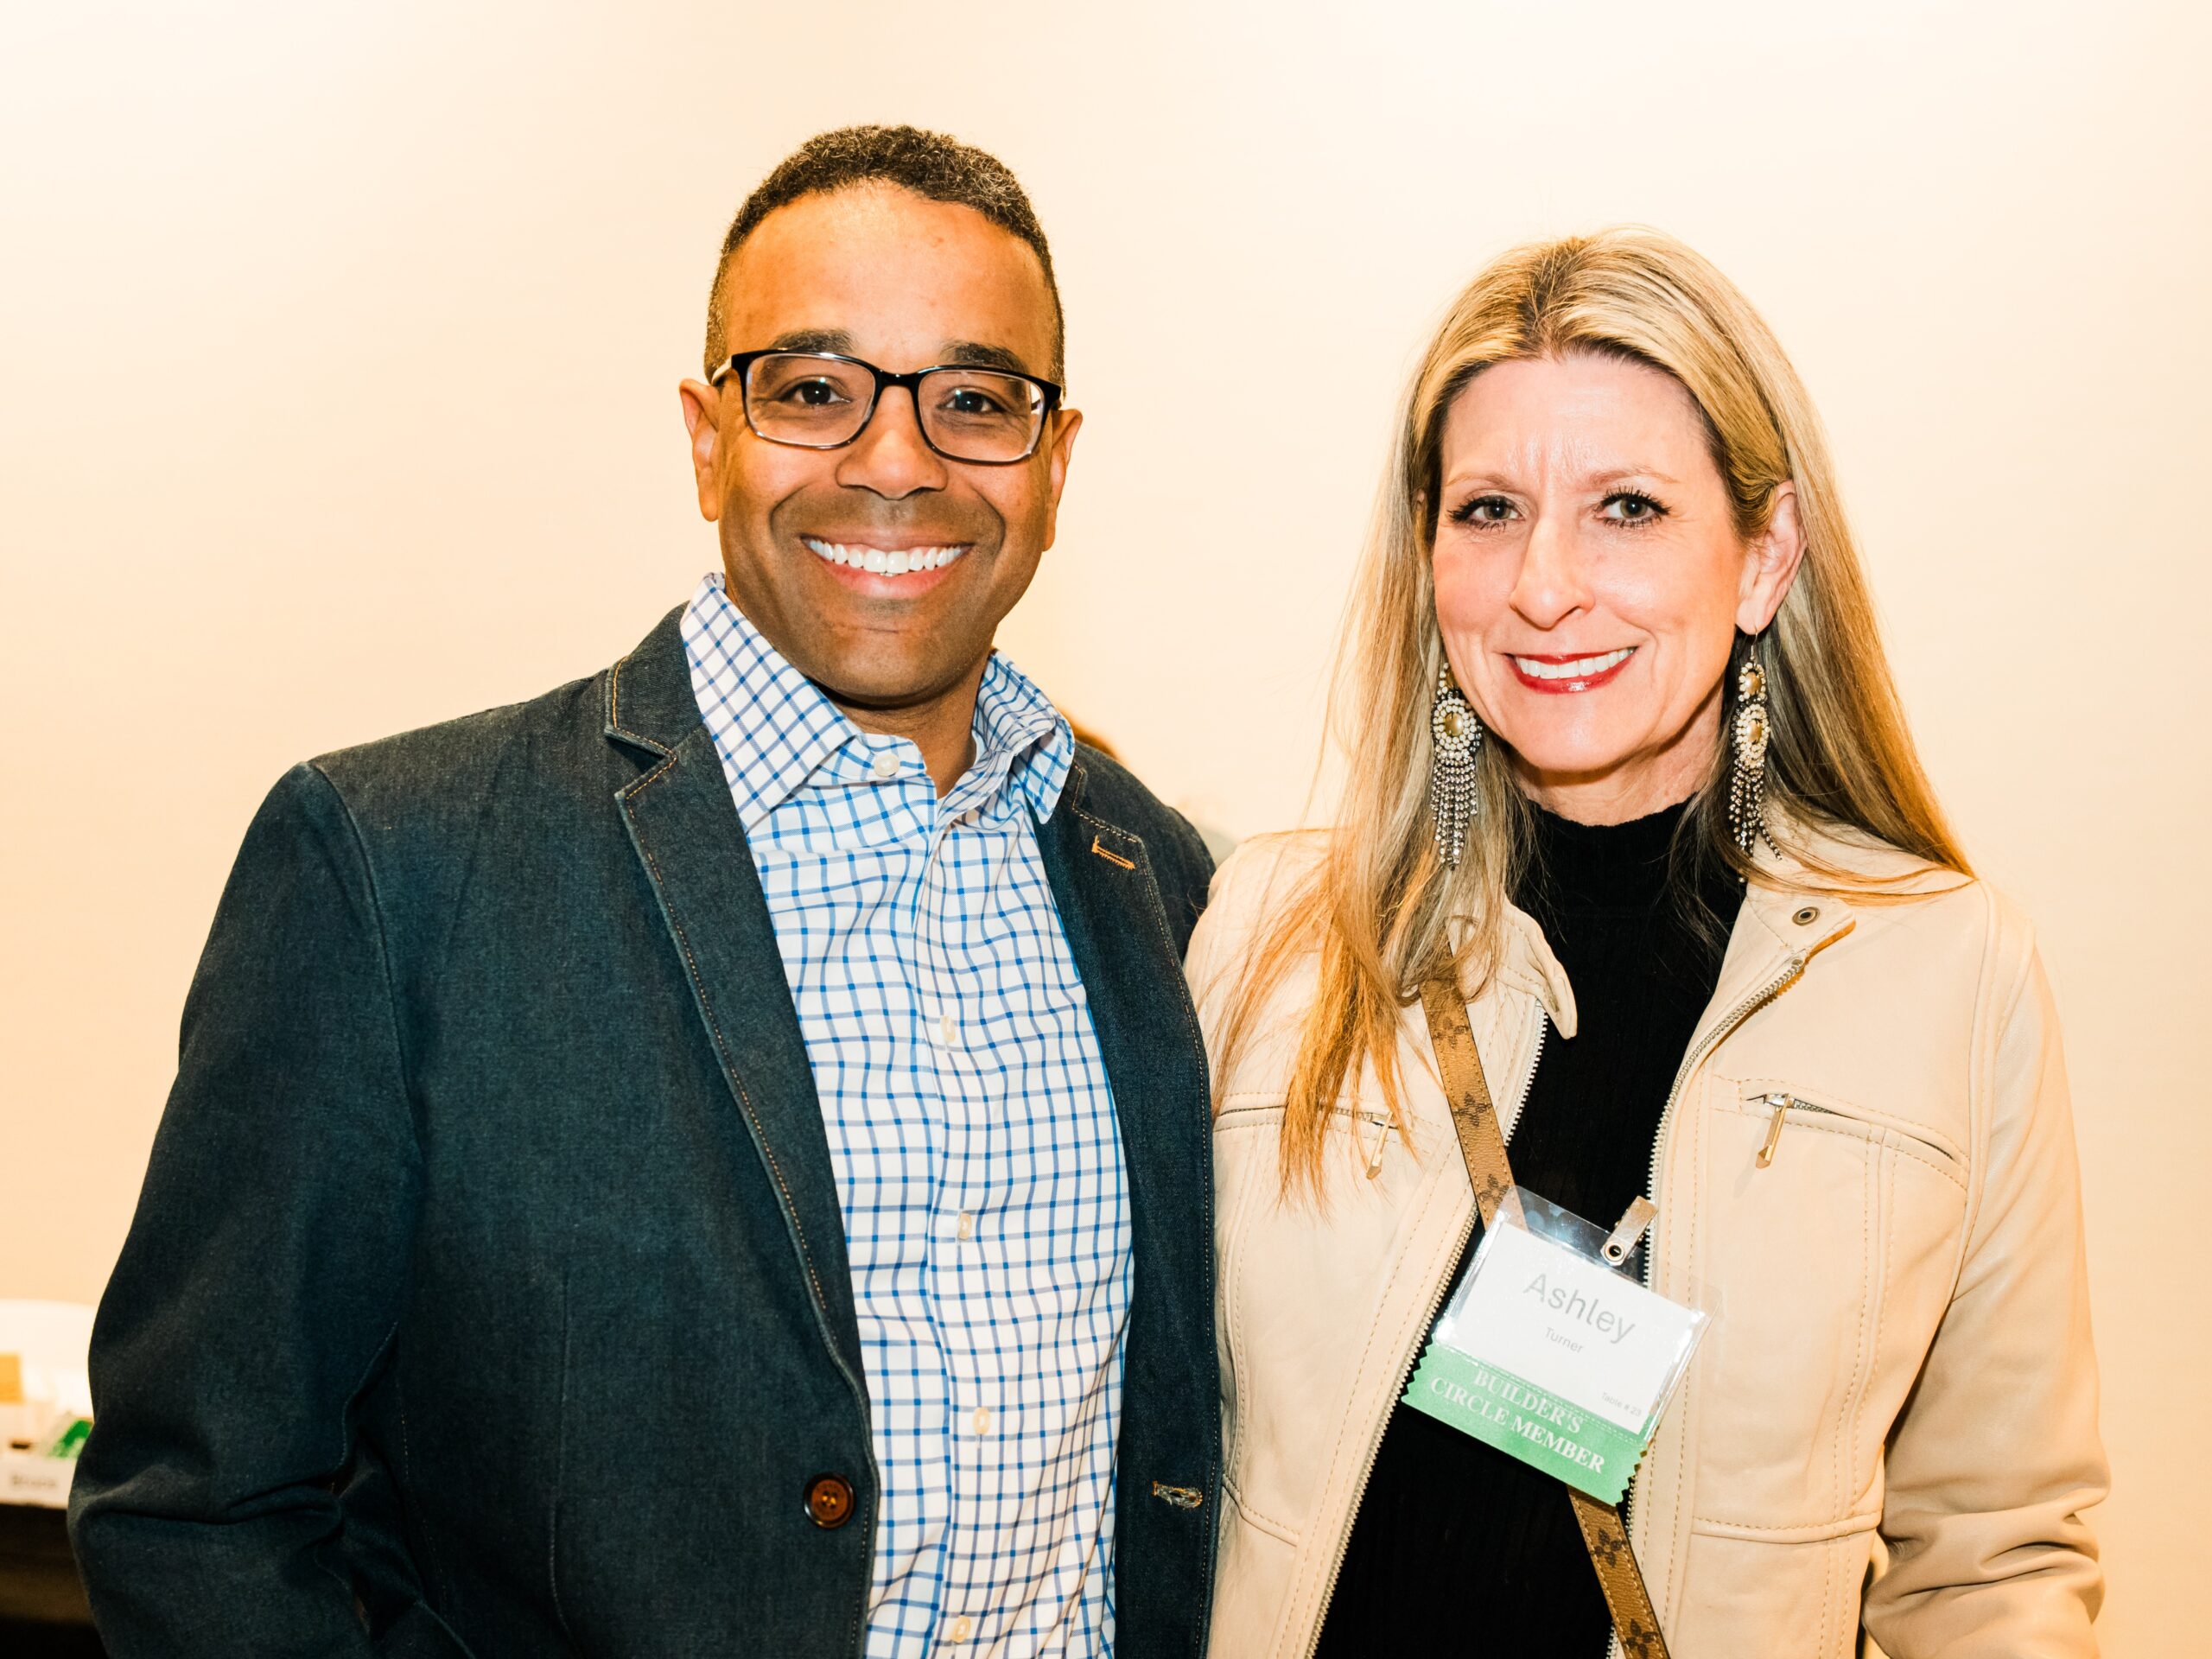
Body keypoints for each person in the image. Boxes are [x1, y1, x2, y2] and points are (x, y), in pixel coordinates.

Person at [70, 125, 1219, 1657]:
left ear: (1055, 462)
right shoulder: (394, 868)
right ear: (706, 438)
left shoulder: (1164, 886)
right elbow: (196, 1507)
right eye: (812, 389)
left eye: (975, 400)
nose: (896, 462)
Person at [1189, 228, 2105, 1657]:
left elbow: (1996, 1561)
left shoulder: (1946, 972)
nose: (1545, 584)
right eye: (1489, 510)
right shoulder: (1266, 931)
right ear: (1428, 554)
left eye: (1627, 507)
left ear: (1765, 556)